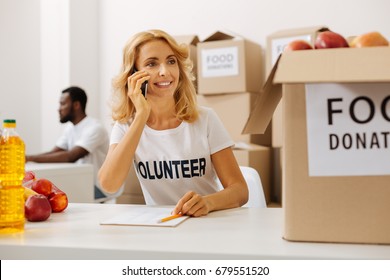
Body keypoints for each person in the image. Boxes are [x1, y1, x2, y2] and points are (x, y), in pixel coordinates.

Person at [98, 29, 248, 216]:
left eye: (171, 61)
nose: (165, 71)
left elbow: (240, 190)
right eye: (152, 64)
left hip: (208, 222)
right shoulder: (126, 127)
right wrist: (141, 116)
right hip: (163, 228)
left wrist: (207, 202)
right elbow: (108, 185)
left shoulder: (205, 119)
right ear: (134, 76)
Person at [25, 86, 119, 202]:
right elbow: (54, 152)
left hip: (99, 187)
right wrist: (27, 158)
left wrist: (28, 158)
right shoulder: (70, 128)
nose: (59, 109)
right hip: (80, 181)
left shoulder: (95, 128)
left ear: (76, 105)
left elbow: (71, 156)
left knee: (54, 196)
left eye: (63, 104)